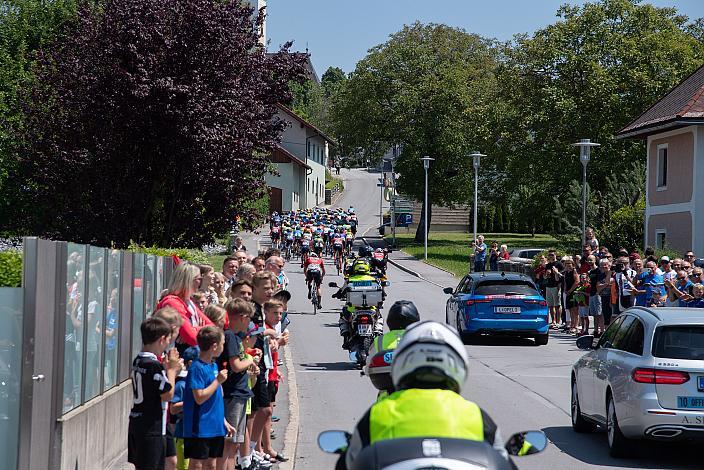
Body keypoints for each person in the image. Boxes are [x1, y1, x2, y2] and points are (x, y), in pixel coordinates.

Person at [342, 321, 507, 469]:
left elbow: (349, 461)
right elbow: (502, 461)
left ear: (401, 364)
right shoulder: (476, 415)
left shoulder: (379, 412)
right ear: (458, 365)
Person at [128, 317, 182, 470]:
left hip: (138, 422)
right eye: (167, 340)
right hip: (151, 427)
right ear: (161, 339)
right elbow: (167, 394)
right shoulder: (153, 366)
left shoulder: (138, 360)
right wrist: (171, 370)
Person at [182, 326, 232, 470]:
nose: (224, 347)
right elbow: (199, 397)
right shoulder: (196, 368)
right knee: (197, 464)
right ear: (214, 346)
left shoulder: (213, 365)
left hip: (215, 424)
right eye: (222, 343)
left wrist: (223, 420)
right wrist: (218, 381)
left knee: (212, 464)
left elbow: (216, 395)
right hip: (200, 426)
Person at [217, 299, 259, 470]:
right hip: (232, 394)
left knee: (234, 444)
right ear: (242, 318)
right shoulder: (231, 337)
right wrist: (249, 360)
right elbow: (235, 365)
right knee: (229, 442)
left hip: (240, 392)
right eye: (249, 318)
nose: (249, 322)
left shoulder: (235, 337)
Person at [366, 300, 420, 396]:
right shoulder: (421, 337)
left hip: (387, 394)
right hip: (417, 393)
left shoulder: (379, 340)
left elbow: (368, 366)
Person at [157, 263, 214, 352]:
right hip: (172, 357)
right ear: (189, 281)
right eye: (199, 279)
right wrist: (198, 328)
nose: (200, 283)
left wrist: (193, 329)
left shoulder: (188, 301)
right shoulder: (173, 303)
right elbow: (192, 338)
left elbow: (213, 328)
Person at [544, 251, 563, 328]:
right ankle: (553, 321)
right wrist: (546, 274)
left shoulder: (559, 264)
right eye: (549, 255)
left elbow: (562, 276)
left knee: (557, 305)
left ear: (555, 255)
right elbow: (545, 277)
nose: (551, 256)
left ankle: (558, 321)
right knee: (550, 305)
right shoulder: (548, 265)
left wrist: (556, 272)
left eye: (552, 255)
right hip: (548, 286)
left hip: (556, 286)